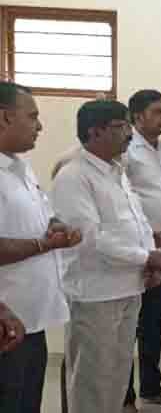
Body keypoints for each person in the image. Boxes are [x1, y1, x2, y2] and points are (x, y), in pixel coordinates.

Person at [51, 99, 161, 413]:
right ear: (95, 132)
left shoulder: (116, 171)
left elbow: (137, 220)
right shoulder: (74, 176)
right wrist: (146, 257)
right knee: (92, 380)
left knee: (117, 377)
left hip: (129, 287)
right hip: (96, 294)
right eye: (121, 127)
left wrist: (150, 253)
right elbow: (91, 238)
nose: (129, 134)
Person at [0, 81, 81, 413]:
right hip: (7, 320)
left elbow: (44, 216)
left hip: (33, 318)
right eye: (32, 116)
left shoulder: (20, 167)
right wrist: (44, 245)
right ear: (4, 118)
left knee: (27, 400)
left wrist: (56, 226)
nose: (40, 125)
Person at [122, 90, 161, 411]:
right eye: (157, 112)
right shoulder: (126, 152)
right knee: (130, 325)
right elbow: (122, 202)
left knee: (154, 322)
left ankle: (151, 386)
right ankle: (125, 396)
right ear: (137, 117)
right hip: (137, 254)